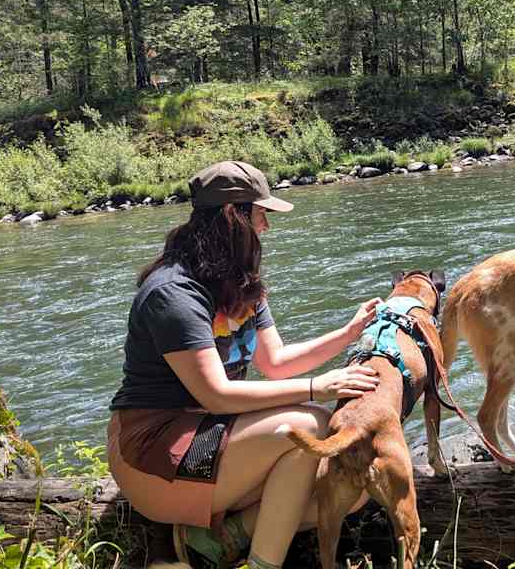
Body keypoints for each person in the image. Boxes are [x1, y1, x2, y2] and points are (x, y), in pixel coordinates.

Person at [107, 160, 384, 569]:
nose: (266, 228)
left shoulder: (239, 282)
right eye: (261, 215)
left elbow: (275, 362)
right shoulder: (173, 292)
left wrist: (348, 332)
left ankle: (219, 539)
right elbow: (216, 395)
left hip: (214, 441)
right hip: (153, 455)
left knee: (352, 485)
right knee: (308, 426)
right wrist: (317, 388)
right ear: (233, 216)